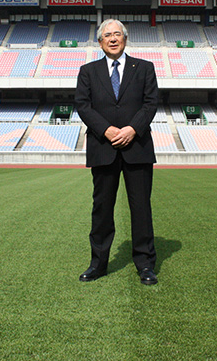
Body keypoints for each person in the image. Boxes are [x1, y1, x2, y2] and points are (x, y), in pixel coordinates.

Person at [75, 19, 159, 285]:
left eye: (117, 34)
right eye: (107, 35)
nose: (112, 39)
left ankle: (145, 264)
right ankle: (98, 264)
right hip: (103, 147)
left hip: (138, 147)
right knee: (102, 208)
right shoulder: (87, 71)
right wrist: (107, 130)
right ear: (100, 42)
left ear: (125, 38)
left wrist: (132, 129)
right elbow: (83, 106)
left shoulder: (145, 68)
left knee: (141, 208)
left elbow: (150, 104)